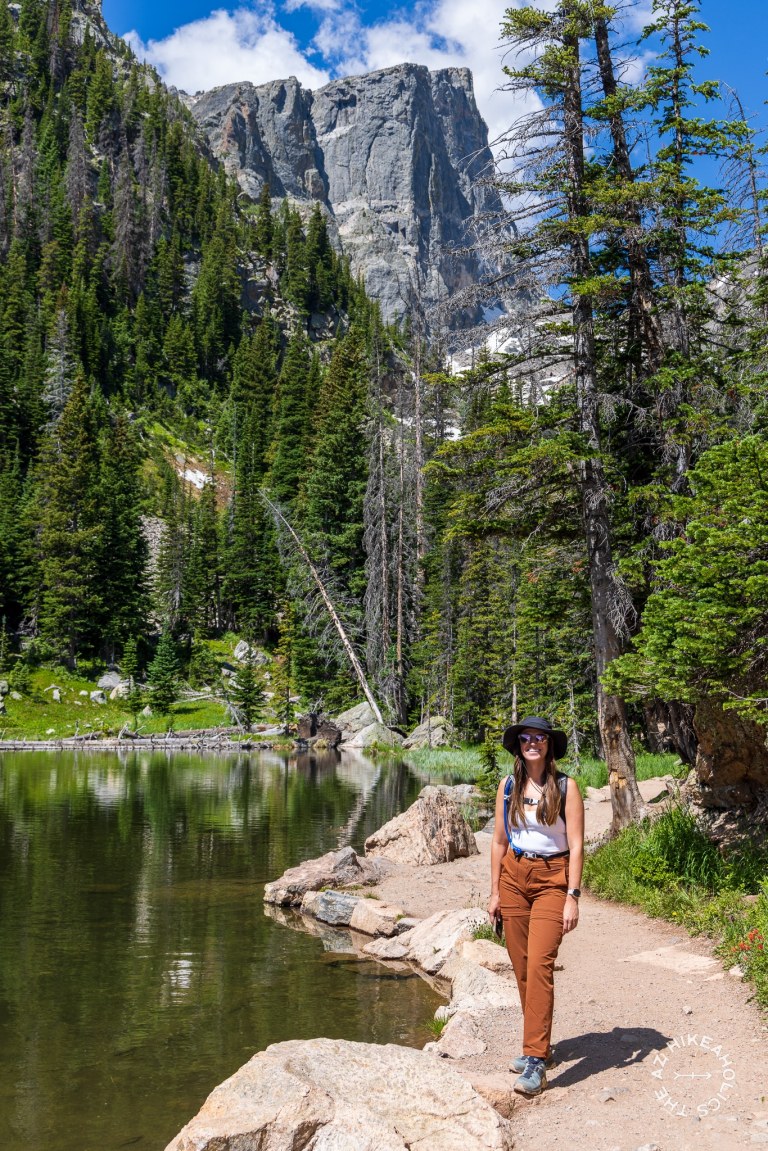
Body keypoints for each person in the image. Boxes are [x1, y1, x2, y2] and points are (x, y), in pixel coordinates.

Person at [487, 715, 585, 1097]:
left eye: (539, 738)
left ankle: (536, 1061)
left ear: (549, 745)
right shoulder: (509, 785)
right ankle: (538, 1045)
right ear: (518, 745)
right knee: (521, 964)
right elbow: (497, 841)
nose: (532, 743)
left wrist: (572, 897)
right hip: (513, 876)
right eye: (526, 738)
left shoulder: (566, 787)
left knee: (541, 963)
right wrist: (494, 892)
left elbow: (576, 845)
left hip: (551, 880)